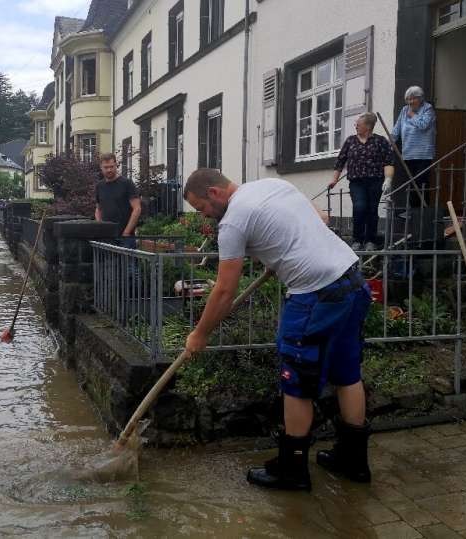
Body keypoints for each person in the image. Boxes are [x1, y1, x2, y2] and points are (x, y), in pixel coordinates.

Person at [183, 169, 372, 491]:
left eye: (202, 208)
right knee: (347, 374)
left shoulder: (232, 222)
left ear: (214, 193)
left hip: (316, 297)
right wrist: (279, 254)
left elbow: (225, 291)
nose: (205, 215)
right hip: (352, 282)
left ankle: (292, 470)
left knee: (296, 381)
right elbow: (319, 220)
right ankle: (353, 462)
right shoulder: (271, 185)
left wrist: (199, 334)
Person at [329, 112, 395, 251]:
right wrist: (334, 180)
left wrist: (388, 179)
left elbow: (388, 162)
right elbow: (340, 161)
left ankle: (371, 240)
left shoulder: (380, 141)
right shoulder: (350, 141)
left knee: (372, 210)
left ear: (368, 126)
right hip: (356, 182)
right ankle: (357, 239)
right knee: (359, 207)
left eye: (358, 124)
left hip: (375, 181)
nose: (356, 126)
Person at [390, 86, 436, 208]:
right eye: (408, 100)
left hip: (423, 155)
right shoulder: (404, 110)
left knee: (420, 184)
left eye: (412, 99)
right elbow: (397, 130)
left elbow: (423, 125)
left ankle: (421, 210)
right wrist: (390, 143)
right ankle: (412, 211)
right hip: (408, 154)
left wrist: (412, 115)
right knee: (411, 184)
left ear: (420, 98)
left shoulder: (428, 109)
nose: (410, 102)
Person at [95, 153, 141, 247]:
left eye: (111, 166)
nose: (109, 170)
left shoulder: (127, 184)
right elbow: (98, 209)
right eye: (106, 167)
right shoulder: (99, 186)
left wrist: (127, 232)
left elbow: (137, 209)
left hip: (125, 237)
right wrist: (100, 227)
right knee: (108, 262)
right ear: (101, 167)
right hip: (107, 237)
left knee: (127, 261)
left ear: (116, 165)